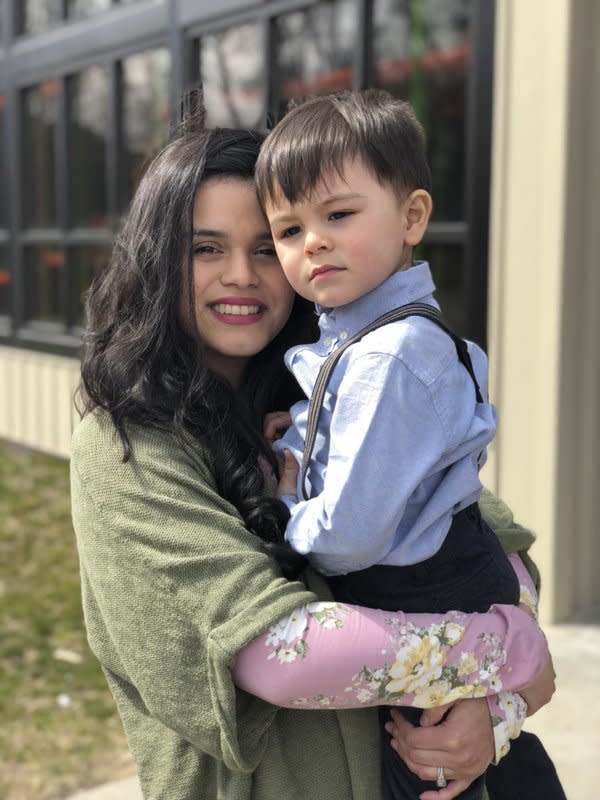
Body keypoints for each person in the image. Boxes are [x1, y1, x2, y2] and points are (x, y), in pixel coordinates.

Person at [70, 92, 554, 800]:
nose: (242, 273)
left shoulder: (350, 388)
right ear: (155, 261)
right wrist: (497, 653)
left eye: (266, 247)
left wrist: (493, 715)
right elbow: (281, 654)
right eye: (205, 249)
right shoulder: (126, 447)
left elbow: (495, 545)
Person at [255, 89, 565, 800]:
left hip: (426, 586)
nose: (314, 243)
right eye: (289, 229)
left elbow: (346, 539)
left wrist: (283, 500)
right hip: (429, 583)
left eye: (338, 214)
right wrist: (302, 432)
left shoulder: (392, 358)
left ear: (413, 216)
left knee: (431, 769)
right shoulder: (363, 339)